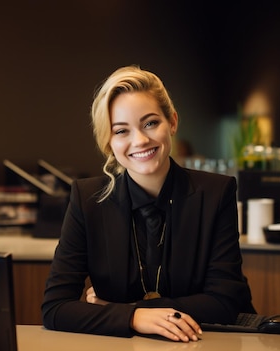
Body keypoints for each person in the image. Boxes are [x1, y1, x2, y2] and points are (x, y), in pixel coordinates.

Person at [41, 65, 255, 342]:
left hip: (205, 343)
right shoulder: (87, 198)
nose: (140, 140)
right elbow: (55, 308)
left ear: (173, 122)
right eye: (121, 131)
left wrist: (124, 310)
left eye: (151, 123)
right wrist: (132, 319)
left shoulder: (216, 192)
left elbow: (224, 303)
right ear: (108, 143)